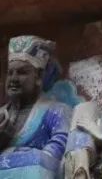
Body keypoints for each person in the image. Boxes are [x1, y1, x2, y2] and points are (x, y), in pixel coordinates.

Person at [0, 36, 71, 179]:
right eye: (10, 73)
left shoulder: (56, 110)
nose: (13, 79)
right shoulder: (2, 114)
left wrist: (34, 158)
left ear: (38, 76)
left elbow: (59, 144)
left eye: (22, 72)